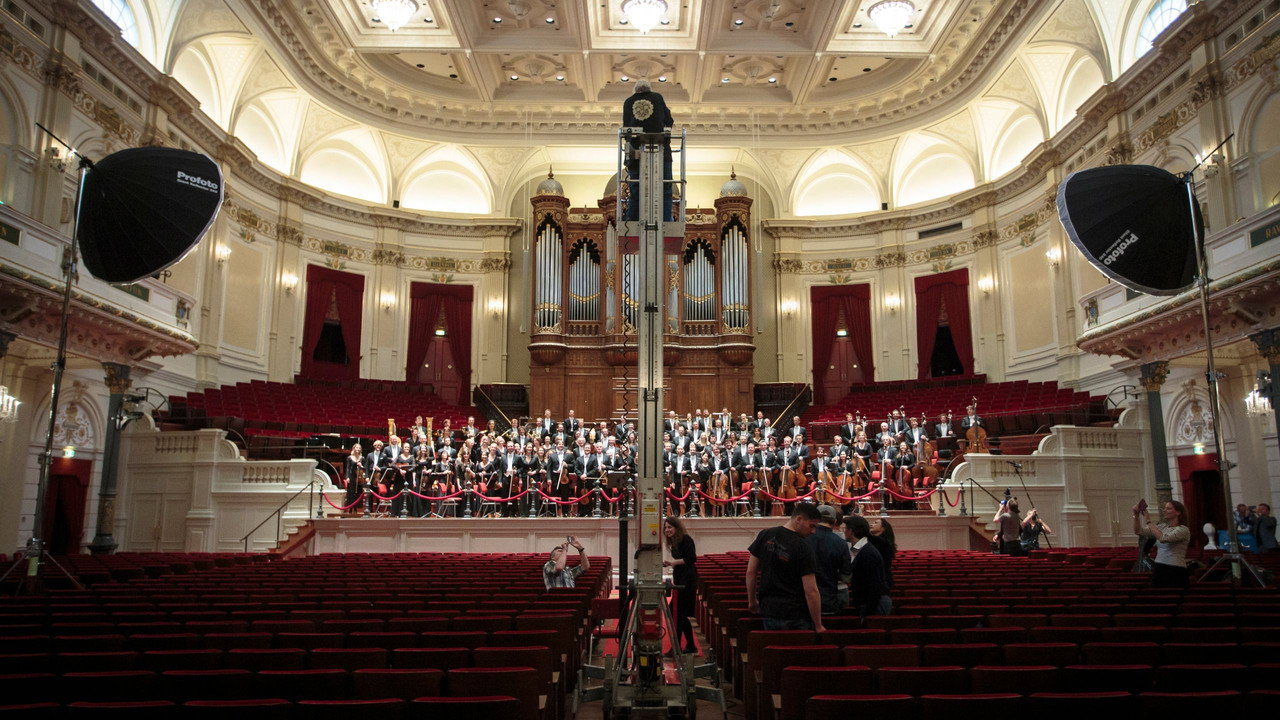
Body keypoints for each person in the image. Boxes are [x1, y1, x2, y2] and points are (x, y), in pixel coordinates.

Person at [745, 503, 826, 632]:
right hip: (795, 613)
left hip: (769, 609)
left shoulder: (765, 534)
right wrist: (818, 624)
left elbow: (751, 572)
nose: (813, 531)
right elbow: (811, 590)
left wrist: (752, 600)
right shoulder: (804, 547)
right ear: (799, 519)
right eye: (812, 526)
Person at [621, 78, 673, 222]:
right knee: (665, 188)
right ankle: (666, 219)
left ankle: (633, 219)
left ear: (636, 91)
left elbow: (626, 130)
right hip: (662, 152)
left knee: (636, 189)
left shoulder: (628, 102)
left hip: (635, 152)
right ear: (649, 89)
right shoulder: (657, 98)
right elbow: (669, 121)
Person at [843, 514, 892, 618]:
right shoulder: (861, 549)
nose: (844, 531)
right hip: (868, 602)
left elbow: (875, 585)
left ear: (851, 531)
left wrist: (867, 611)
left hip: (873, 605)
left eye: (846, 528)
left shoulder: (868, 553)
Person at [1133, 499, 1190, 588]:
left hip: (1175, 569)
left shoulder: (1183, 529)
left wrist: (1148, 520)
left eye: (1168, 508)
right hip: (1159, 567)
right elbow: (1139, 531)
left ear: (1178, 512)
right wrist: (1136, 516)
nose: (1164, 510)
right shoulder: (1163, 526)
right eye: (1164, 508)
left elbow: (1163, 538)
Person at [806, 505, 852, 615]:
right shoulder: (841, 543)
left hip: (806, 601)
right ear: (835, 521)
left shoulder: (803, 539)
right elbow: (846, 575)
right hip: (830, 599)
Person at [663, 517, 698, 654]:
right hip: (680, 579)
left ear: (677, 528)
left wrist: (674, 563)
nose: (667, 530)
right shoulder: (675, 542)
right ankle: (690, 646)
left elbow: (692, 559)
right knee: (679, 615)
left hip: (687, 581)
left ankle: (676, 648)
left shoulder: (686, 539)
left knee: (677, 614)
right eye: (665, 528)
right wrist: (670, 563)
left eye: (670, 527)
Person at [867, 517, 897, 589]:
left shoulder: (883, 542)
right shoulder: (876, 541)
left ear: (883, 528)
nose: (871, 525)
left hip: (881, 579)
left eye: (875, 523)